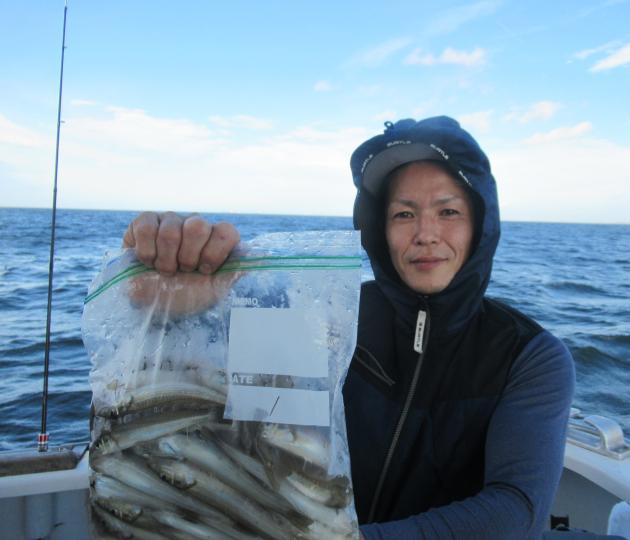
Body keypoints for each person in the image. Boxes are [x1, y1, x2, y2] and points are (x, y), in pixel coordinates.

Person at [123, 116, 575, 539]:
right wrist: (172, 284)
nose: (426, 233)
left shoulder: (529, 356)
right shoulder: (324, 319)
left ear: (481, 223)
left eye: (449, 212)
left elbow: (517, 510)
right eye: (403, 214)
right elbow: (211, 381)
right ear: (378, 228)